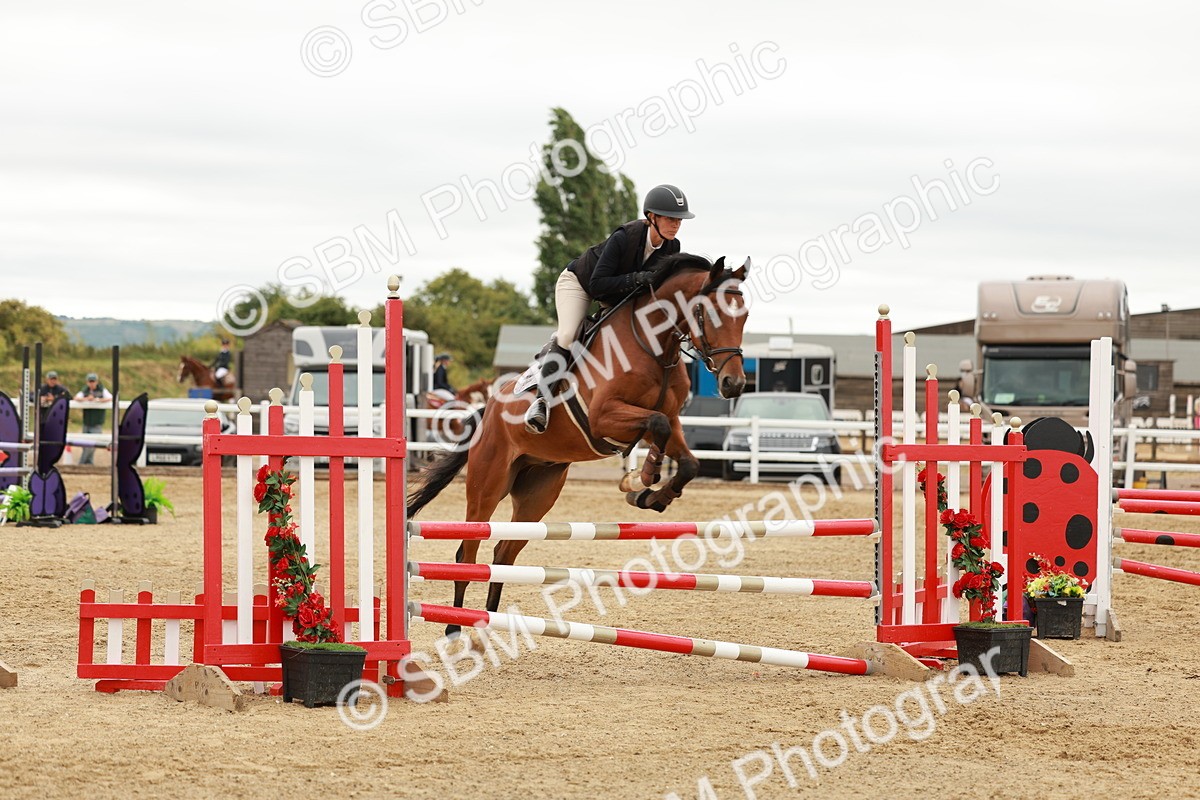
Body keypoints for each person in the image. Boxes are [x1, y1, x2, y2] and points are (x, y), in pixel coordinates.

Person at [524, 183, 694, 434]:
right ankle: (541, 401)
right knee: (569, 335)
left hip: (617, 293)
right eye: (670, 218)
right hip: (581, 283)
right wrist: (636, 279)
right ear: (651, 217)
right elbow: (598, 284)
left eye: (679, 219)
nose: (676, 224)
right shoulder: (624, 237)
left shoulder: (672, 247)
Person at [73, 373, 112, 466]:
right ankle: (89, 462)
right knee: (85, 444)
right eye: (90, 382)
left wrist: (97, 400)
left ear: (97, 382)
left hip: (97, 421)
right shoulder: (85, 390)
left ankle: (81, 463)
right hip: (87, 421)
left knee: (92, 444)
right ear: (87, 382)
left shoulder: (102, 390)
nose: (92, 384)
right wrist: (87, 399)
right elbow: (76, 397)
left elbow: (110, 398)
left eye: (93, 381)